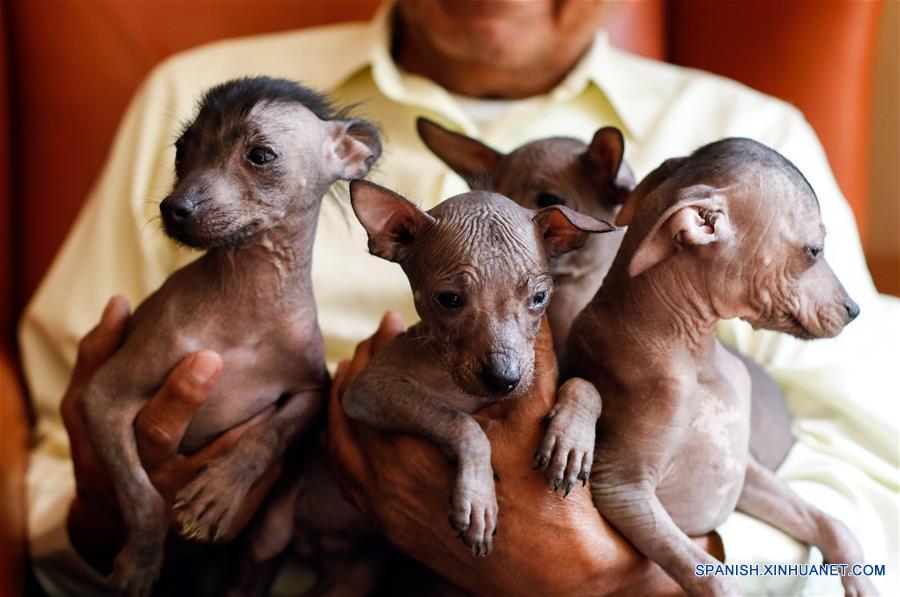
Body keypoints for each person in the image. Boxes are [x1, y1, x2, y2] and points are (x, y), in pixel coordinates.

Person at [20, 0, 898, 594]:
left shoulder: (755, 153)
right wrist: (108, 513)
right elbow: (49, 451)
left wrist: (620, 574)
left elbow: (878, 477)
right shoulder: (206, 105)